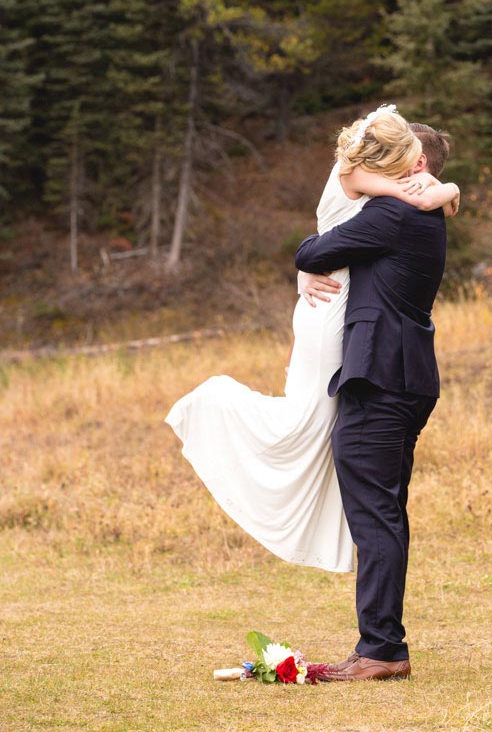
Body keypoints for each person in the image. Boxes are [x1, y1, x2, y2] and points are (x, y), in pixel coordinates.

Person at [165, 106, 458, 574]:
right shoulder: (376, 192)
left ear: (417, 162)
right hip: (338, 318)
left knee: (323, 437)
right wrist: (431, 189)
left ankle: (376, 626)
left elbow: (323, 244)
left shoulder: (401, 208)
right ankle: (213, 406)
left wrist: (443, 189)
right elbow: (337, 201)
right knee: (309, 428)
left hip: (350, 330)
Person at [294, 118, 451, 681]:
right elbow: (348, 181)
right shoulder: (420, 210)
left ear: (415, 165)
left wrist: (309, 266)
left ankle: (382, 650)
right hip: (405, 376)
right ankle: (382, 644)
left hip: (380, 378)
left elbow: (309, 248)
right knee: (385, 513)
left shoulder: (392, 215)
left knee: (376, 515)